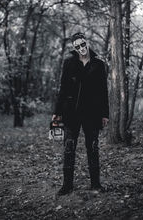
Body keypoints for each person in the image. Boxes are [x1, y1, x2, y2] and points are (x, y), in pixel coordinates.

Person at [52, 32, 109, 196]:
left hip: (92, 113)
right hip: (71, 113)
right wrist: (57, 112)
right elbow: (63, 89)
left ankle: (96, 184)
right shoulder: (69, 63)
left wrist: (105, 114)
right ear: (74, 48)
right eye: (77, 46)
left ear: (87, 42)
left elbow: (103, 90)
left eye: (83, 44)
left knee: (93, 148)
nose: (81, 48)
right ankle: (67, 185)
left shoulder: (98, 64)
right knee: (69, 148)